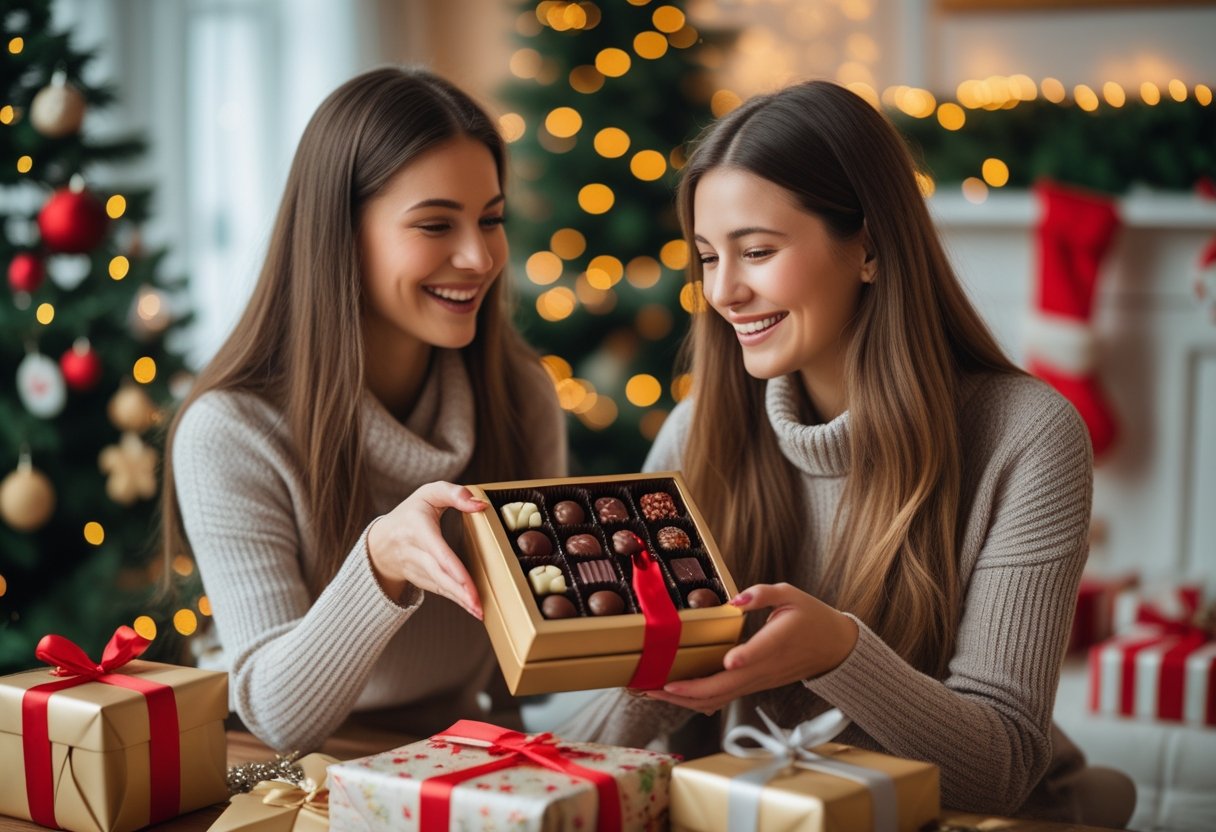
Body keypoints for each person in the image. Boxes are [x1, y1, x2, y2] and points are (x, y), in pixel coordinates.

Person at [563, 80, 1135, 826]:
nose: (724, 291)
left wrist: (838, 654)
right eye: (706, 257)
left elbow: (1000, 771)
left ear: (868, 247)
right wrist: (661, 669)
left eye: (757, 251)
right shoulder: (696, 433)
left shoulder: (1027, 436)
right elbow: (582, 750)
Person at [161, 67, 565, 753]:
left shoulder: (522, 396)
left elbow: (522, 676)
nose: (478, 257)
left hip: (460, 751)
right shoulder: (230, 431)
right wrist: (379, 561)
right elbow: (277, 717)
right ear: (340, 234)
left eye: (491, 220)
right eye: (435, 224)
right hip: (286, 771)